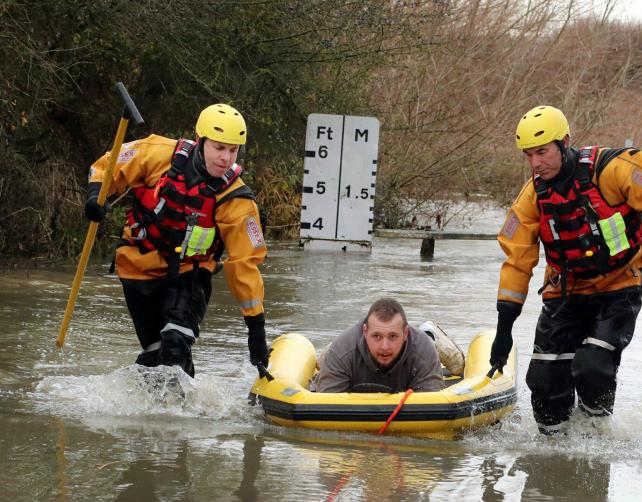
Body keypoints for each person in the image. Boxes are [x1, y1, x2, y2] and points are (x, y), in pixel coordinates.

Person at [489, 105, 642, 434]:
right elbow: (516, 263)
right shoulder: (531, 199)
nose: (535, 164)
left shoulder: (614, 169)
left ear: (564, 142)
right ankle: (553, 458)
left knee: (592, 366)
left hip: (620, 282)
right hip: (565, 290)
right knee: (542, 381)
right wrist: (503, 331)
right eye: (528, 156)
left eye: (542, 152)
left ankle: (596, 444)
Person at [85, 103, 268, 377]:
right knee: (155, 356)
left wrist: (256, 330)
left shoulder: (236, 200)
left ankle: (180, 415)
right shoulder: (158, 154)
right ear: (200, 141)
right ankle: (157, 408)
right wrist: (94, 197)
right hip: (138, 271)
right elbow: (109, 165)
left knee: (175, 347)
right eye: (219, 148)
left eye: (233, 150)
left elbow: (245, 265)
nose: (226, 158)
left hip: (189, 277)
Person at [312, 297, 444, 393]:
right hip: (344, 352)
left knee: (453, 361)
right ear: (365, 332)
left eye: (392, 336)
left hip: (424, 346)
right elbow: (323, 412)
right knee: (325, 360)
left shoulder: (424, 352)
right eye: (377, 336)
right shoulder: (342, 351)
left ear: (405, 334)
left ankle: (430, 331)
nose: (384, 347)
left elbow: (436, 412)